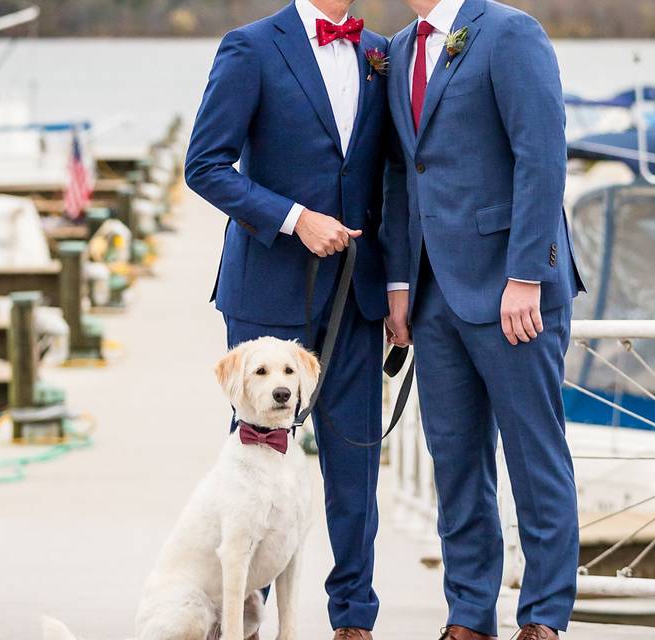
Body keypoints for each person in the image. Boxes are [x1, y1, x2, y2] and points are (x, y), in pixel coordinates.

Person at [185, 0, 402, 637]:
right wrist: (293, 219)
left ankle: (353, 619)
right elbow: (204, 166)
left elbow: (392, 174)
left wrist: (397, 283)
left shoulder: (378, 53)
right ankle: (244, 614)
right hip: (268, 293)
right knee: (256, 469)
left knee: (355, 464)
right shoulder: (249, 47)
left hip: (355, 294)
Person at [380, 0, 586, 638]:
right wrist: (398, 281)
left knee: (535, 457)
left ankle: (544, 618)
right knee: (456, 463)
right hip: (432, 293)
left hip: (512, 291)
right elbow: (400, 173)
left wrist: (526, 274)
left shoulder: (511, 33)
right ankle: (469, 614)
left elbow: (543, 158)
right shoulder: (400, 50)